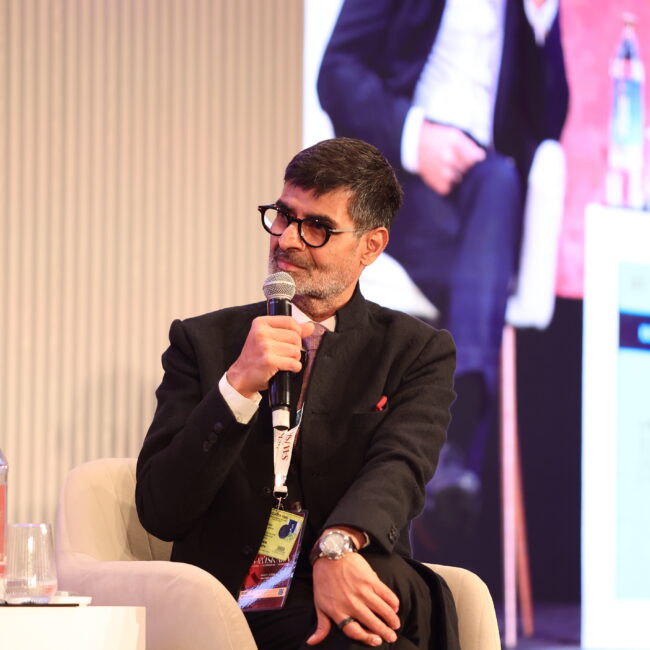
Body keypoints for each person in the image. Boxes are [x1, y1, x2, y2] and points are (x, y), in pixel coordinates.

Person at [136, 137, 460, 649]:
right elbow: (161, 510)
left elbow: (399, 467)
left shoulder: (414, 351)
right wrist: (237, 385)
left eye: (317, 227)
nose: (287, 239)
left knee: (385, 623)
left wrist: (336, 548)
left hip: (352, 565)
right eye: (284, 216)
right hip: (239, 596)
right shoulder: (202, 343)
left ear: (371, 246)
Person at [317, 0, 569, 545]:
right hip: (403, 186)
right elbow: (336, 73)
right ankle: (454, 444)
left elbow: (547, 122)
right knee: (485, 250)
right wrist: (416, 137)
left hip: (485, 204)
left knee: (499, 179)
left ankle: (445, 440)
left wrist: (542, 24)